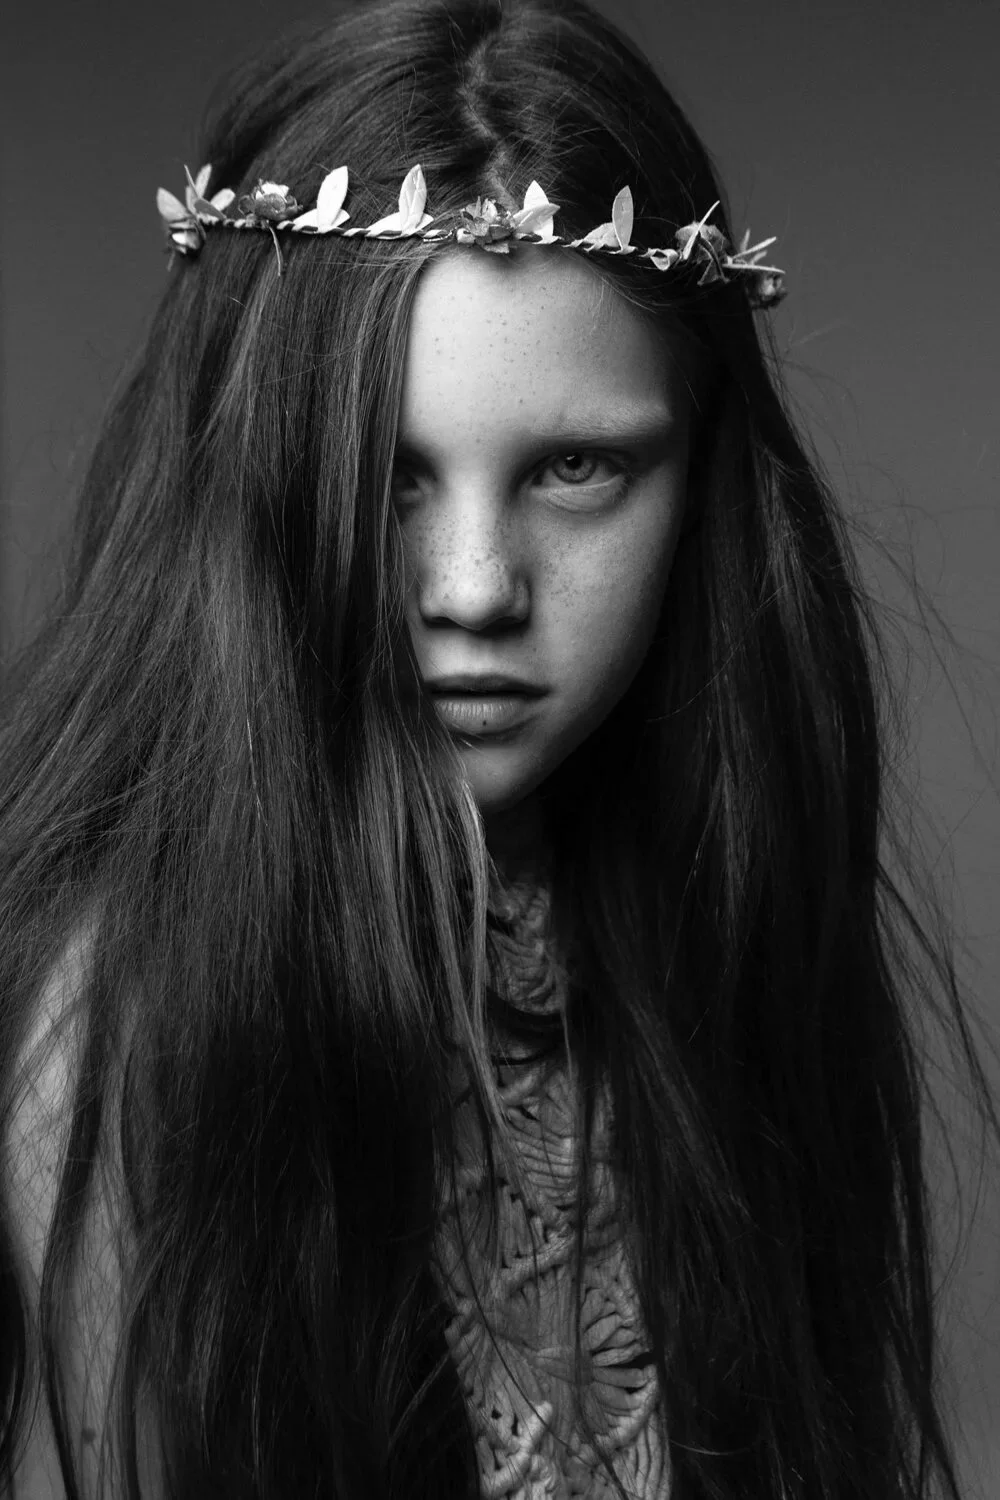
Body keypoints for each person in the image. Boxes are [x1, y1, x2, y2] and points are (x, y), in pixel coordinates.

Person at [0, 0, 995, 1496]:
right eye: (388, 479)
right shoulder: (132, 1026)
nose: (475, 590)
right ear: (255, 483)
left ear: (705, 479)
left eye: (576, 468)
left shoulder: (714, 904)